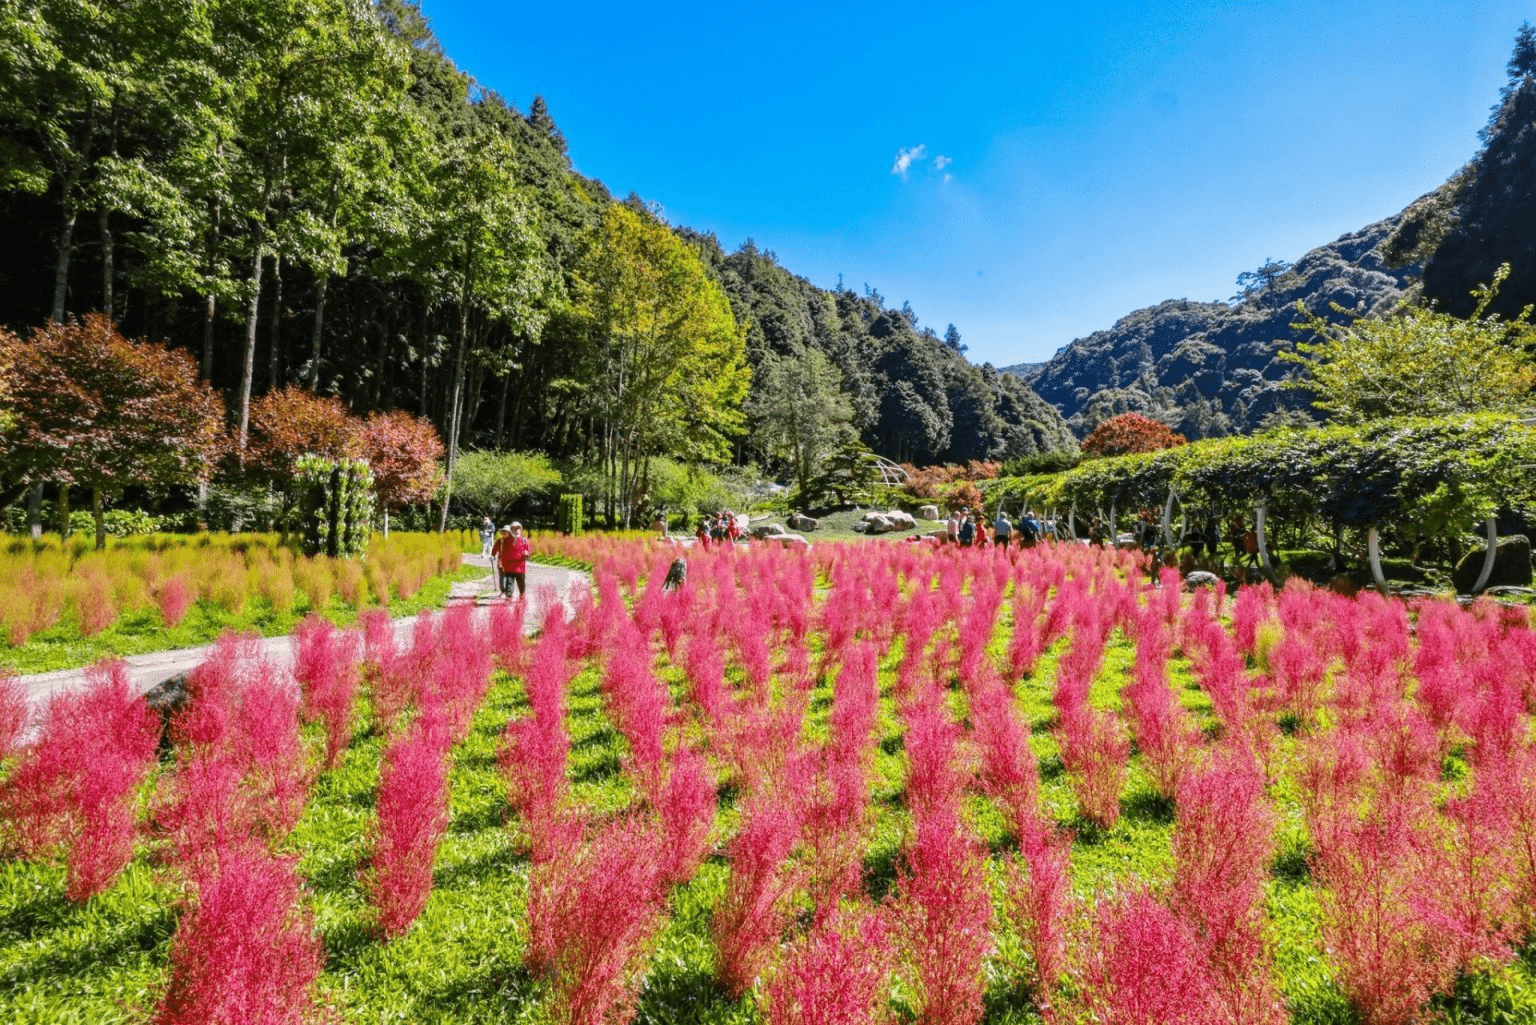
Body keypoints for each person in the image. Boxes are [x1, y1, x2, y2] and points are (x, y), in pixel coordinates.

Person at [494, 522, 532, 599]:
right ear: (511, 530)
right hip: (509, 566)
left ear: (521, 530)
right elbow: (503, 553)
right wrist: (502, 563)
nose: (516, 530)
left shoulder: (524, 540)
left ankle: (522, 594)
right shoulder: (505, 540)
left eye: (518, 528)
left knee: (521, 583)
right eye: (514, 528)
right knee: (509, 583)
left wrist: (527, 554)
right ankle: (509, 596)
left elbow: (528, 552)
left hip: (520, 566)